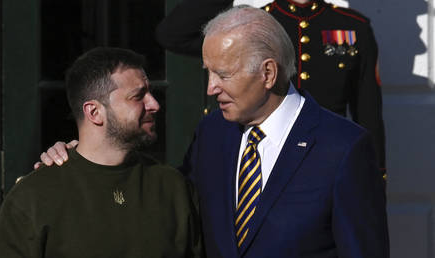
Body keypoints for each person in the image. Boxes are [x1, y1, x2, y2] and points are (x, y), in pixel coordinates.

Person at [37, 6, 388, 258]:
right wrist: (82, 158)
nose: (210, 88)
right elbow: (168, 201)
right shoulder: (214, 131)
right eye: (208, 73)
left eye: (223, 74)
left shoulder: (343, 148)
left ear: (267, 74)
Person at [0, 47, 203, 258]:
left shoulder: (173, 187)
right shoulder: (32, 198)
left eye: (151, 93)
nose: (154, 104)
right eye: (138, 96)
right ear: (94, 112)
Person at [155, 0, 387, 178]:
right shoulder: (257, 25)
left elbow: (368, 114)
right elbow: (173, 34)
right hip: (262, 158)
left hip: (326, 161)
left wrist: (374, 176)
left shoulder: (353, 28)